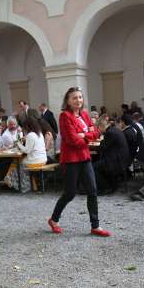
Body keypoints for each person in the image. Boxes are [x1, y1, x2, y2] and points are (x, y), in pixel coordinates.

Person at [48, 87, 109, 237]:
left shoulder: (85, 115)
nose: (78, 100)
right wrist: (87, 136)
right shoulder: (65, 116)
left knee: (92, 191)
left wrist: (84, 135)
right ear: (68, 101)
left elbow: (96, 133)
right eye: (74, 98)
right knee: (69, 193)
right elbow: (71, 140)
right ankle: (54, 220)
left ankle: (95, 226)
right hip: (70, 160)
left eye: (80, 97)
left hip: (84, 157)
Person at [6, 117, 47, 193]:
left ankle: (20, 184)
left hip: (35, 160)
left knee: (16, 162)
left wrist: (18, 143)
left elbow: (27, 150)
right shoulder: (39, 133)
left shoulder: (31, 135)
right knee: (20, 161)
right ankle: (31, 184)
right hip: (43, 159)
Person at [94, 115, 130, 194]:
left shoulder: (110, 133)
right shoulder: (114, 130)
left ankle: (105, 187)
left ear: (101, 126)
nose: (98, 130)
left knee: (92, 168)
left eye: (97, 128)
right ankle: (111, 185)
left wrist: (101, 141)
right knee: (98, 164)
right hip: (121, 159)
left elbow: (102, 147)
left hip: (116, 161)